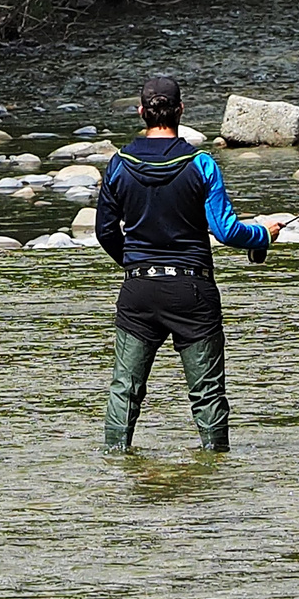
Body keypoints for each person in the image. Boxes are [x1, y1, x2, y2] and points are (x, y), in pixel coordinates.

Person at [94, 77, 284, 452]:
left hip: (138, 291)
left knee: (124, 390)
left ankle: (114, 466)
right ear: (181, 110)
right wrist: (262, 234)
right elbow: (225, 230)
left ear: (141, 112)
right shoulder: (201, 164)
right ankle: (215, 472)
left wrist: (132, 265)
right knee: (207, 394)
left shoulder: (118, 164)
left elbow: (104, 231)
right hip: (192, 291)